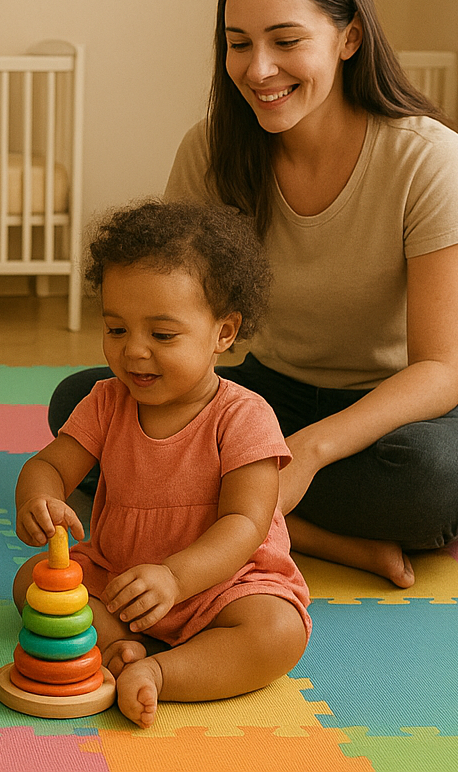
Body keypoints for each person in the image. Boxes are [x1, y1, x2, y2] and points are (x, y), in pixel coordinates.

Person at [51, 0, 458, 588]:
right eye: (239, 44)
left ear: (349, 37)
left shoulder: (428, 158)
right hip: (273, 391)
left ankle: (229, 512)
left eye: (286, 41)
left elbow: (440, 371)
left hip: (408, 413)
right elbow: (164, 302)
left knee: (434, 478)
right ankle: (310, 535)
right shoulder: (210, 151)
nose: (258, 69)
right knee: (83, 405)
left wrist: (309, 451)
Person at [16, 200, 309, 729]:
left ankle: (160, 672)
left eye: (162, 335)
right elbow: (50, 466)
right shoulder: (106, 402)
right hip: (122, 577)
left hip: (222, 585)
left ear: (223, 332)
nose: (134, 352)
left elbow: (245, 524)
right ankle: (120, 648)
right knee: (32, 584)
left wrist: (176, 578)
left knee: (278, 632)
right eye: (116, 330)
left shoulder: (244, 416)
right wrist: (38, 498)